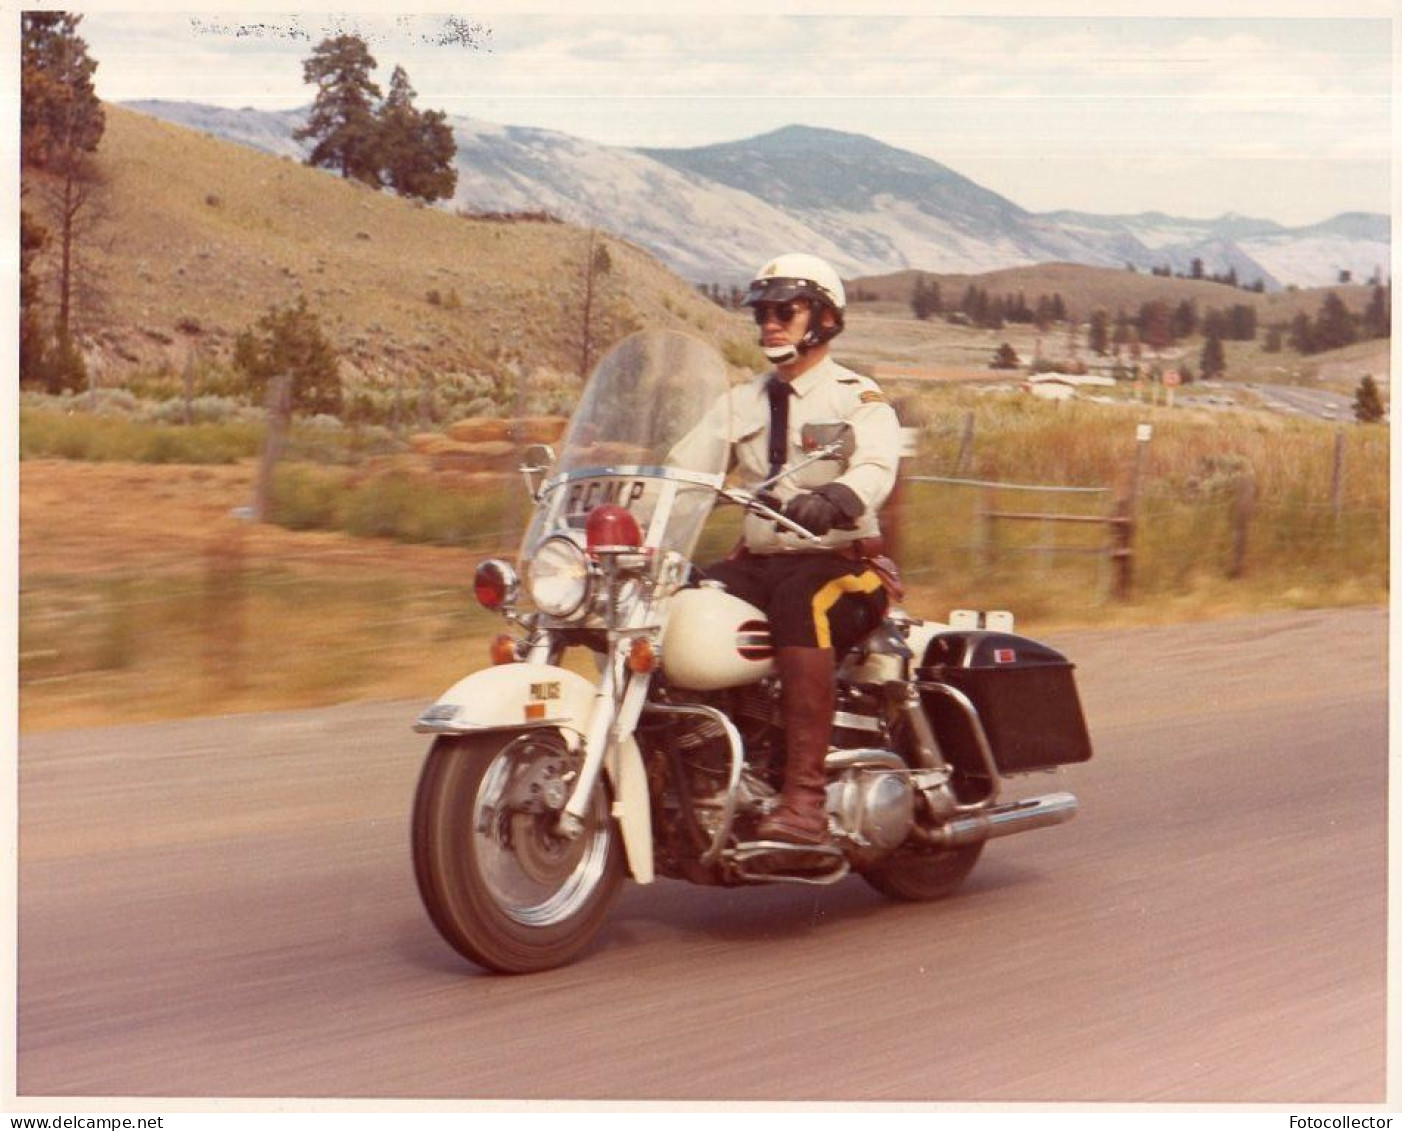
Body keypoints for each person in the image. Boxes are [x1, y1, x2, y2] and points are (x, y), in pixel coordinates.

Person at [702, 253, 902, 845]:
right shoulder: (742, 401)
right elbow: (687, 461)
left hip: (840, 566)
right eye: (762, 312)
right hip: (760, 565)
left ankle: (805, 801)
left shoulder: (853, 395)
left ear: (824, 318)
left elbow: (877, 461)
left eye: (784, 310)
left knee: (800, 604)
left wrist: (840, 495)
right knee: (685, 598)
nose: (769, 323)